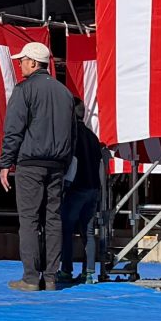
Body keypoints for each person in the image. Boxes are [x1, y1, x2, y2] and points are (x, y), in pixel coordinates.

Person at [0, 41, 77, 291]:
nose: (20, 65)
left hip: (30, 163)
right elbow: (72, 134)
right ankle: (51, 277)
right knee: (53, 219)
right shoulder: (65, 93)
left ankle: (31, 278)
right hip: (57, 165)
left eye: (22, 60)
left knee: (29, 219)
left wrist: (5, 163)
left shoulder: (24, 90)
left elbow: (14, 129)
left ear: (33, 62)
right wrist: (64, 162)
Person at [57, 107, 110, 286]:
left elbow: (70, 160)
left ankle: (66, 270)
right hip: (93, 188)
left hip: (76, 187)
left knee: (66, 229)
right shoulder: (92, 136)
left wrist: (65, 185)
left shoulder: (71, 134)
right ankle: (89, 273)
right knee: (88, 232)